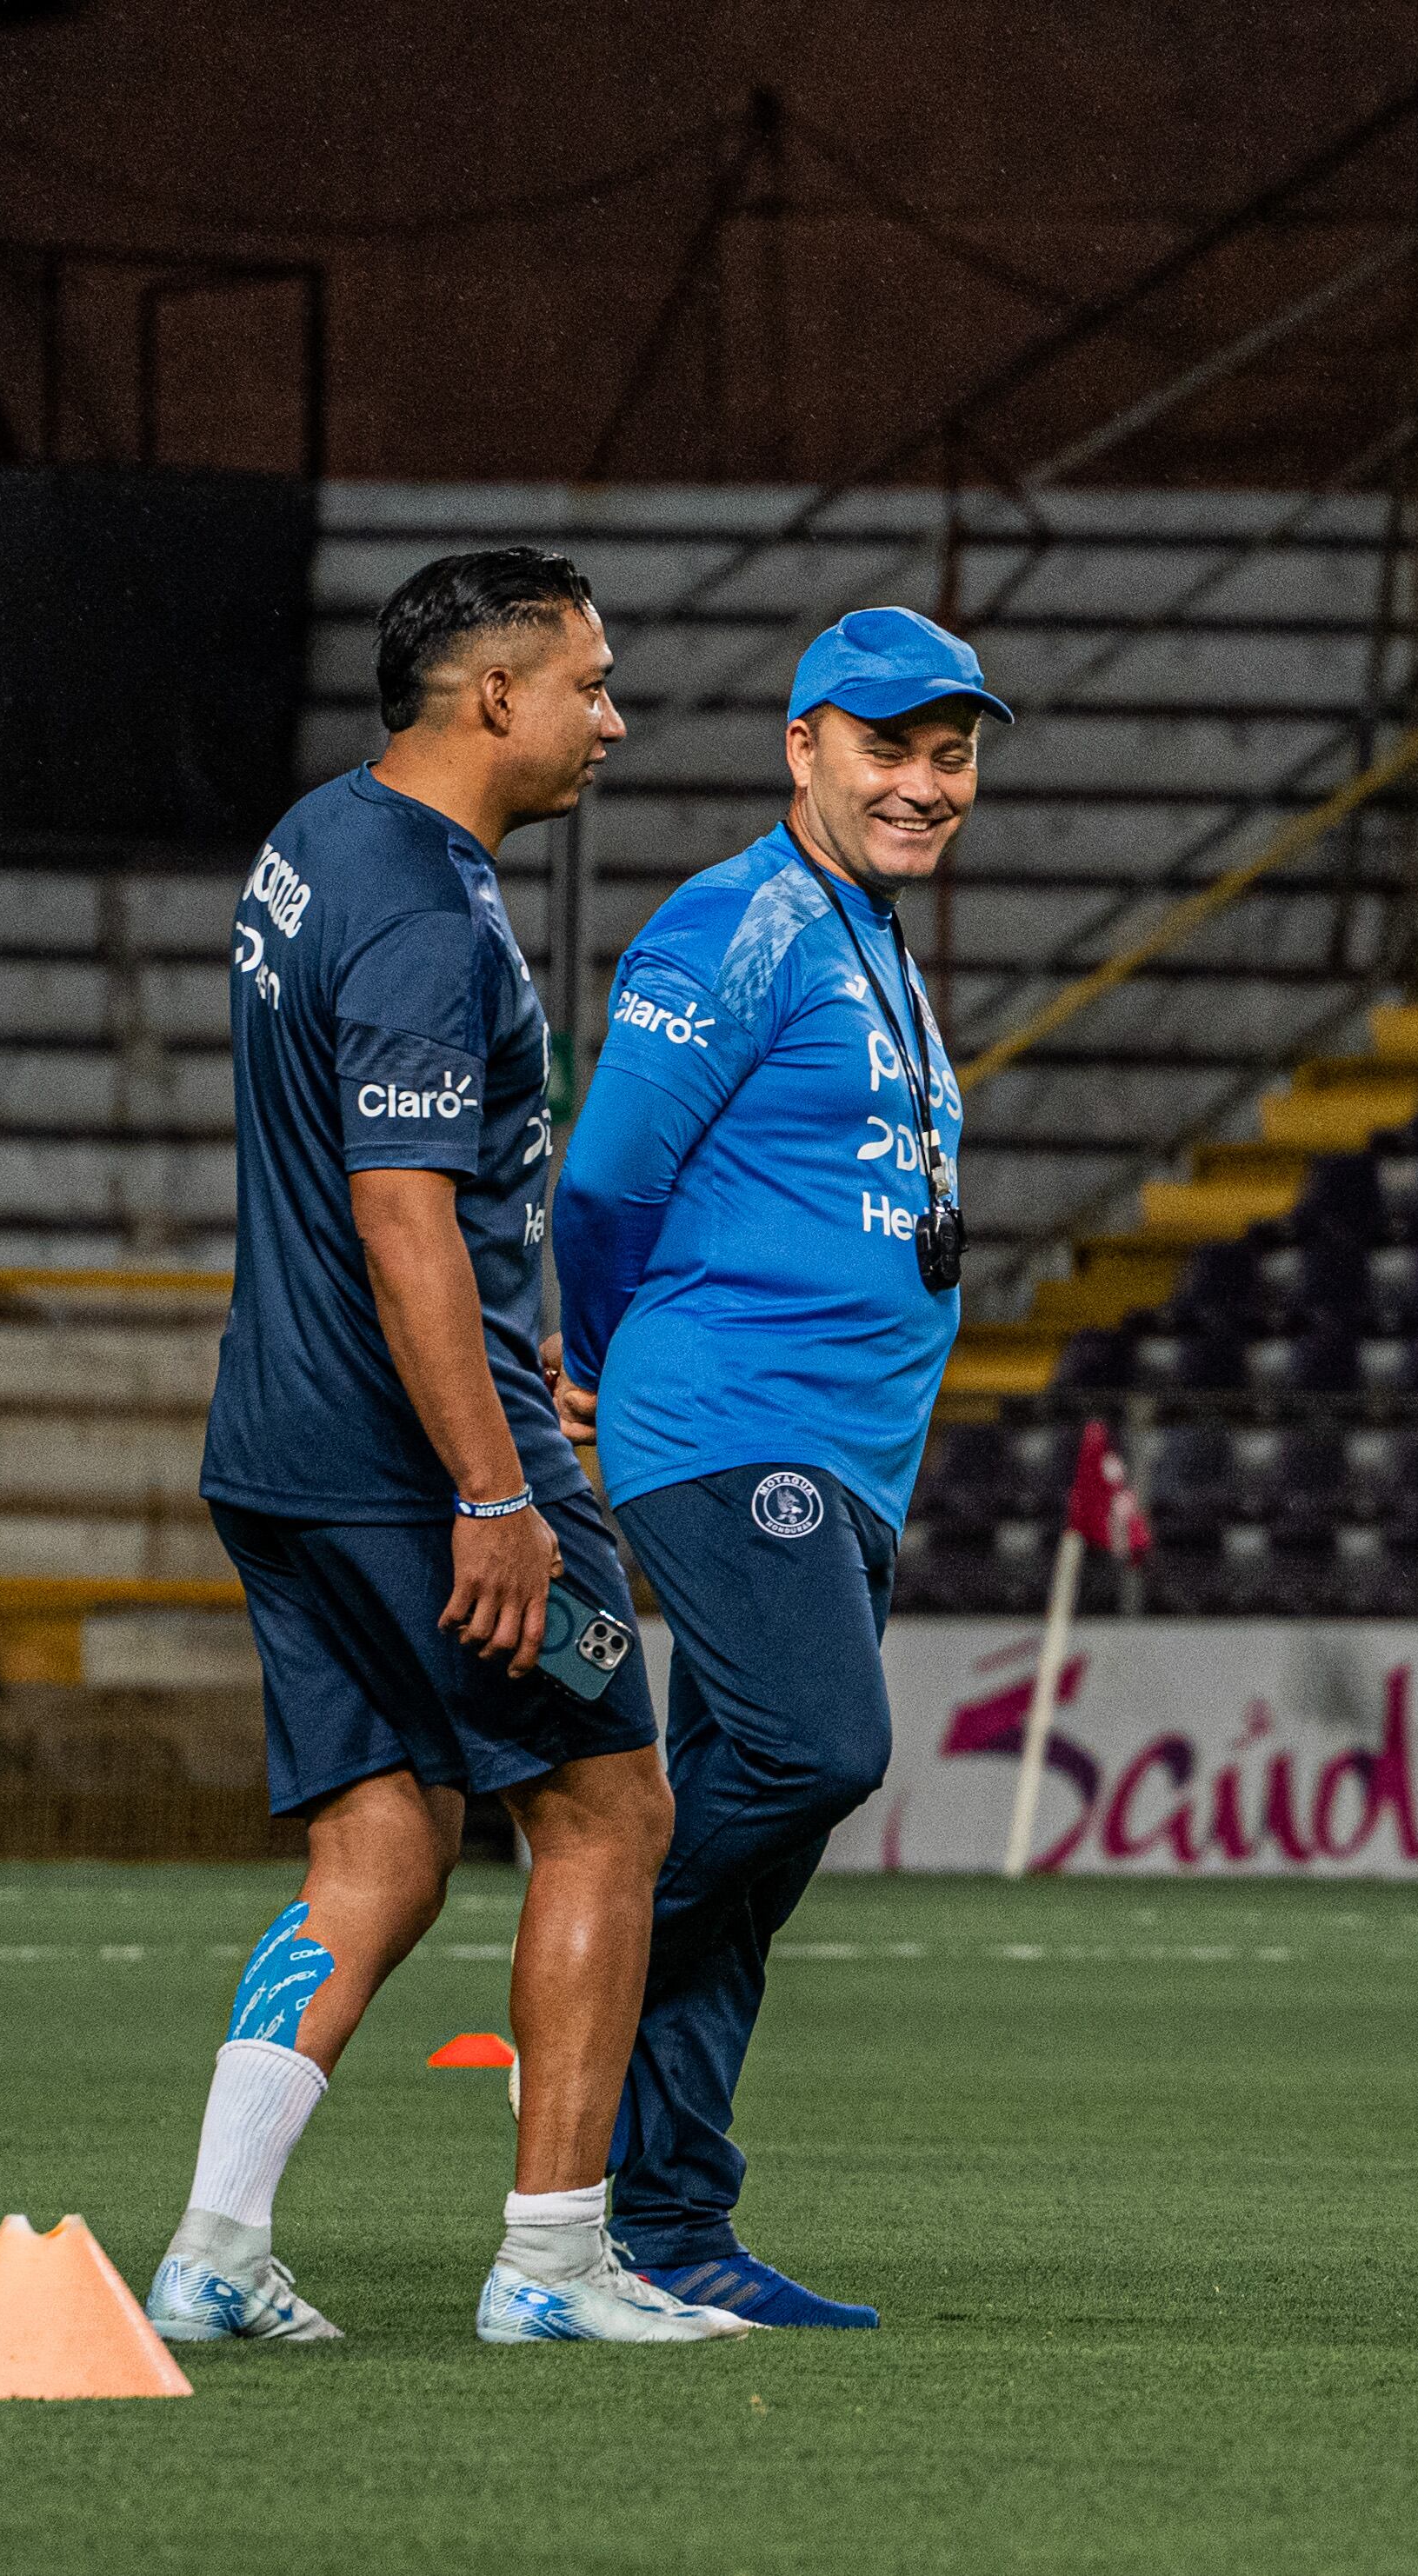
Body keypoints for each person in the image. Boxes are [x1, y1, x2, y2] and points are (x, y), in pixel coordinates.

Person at [146, 547, 746, 2348]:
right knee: (608, 1808)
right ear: (494, 697)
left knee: (380, 1852)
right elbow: (402, 1213)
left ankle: (214, 2252)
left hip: (275, 1437)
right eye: (589, 681)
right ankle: (556, 2265)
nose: (611, 718)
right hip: (411, 1460)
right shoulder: (422, 908)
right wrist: (493, 1485)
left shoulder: (314, 838)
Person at [545, 606, 1005, 2328]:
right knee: (818, 1750)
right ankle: (577, 1977)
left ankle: (664, 2226)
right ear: (799, 746)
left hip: (838, 1450)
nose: (924, 782)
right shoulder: (734, 923)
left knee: (754, 1871)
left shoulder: (861, 934)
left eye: (951, 753)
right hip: (733, 1424)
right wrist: (590, 1365)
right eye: (888, 745)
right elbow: (602, 1182)